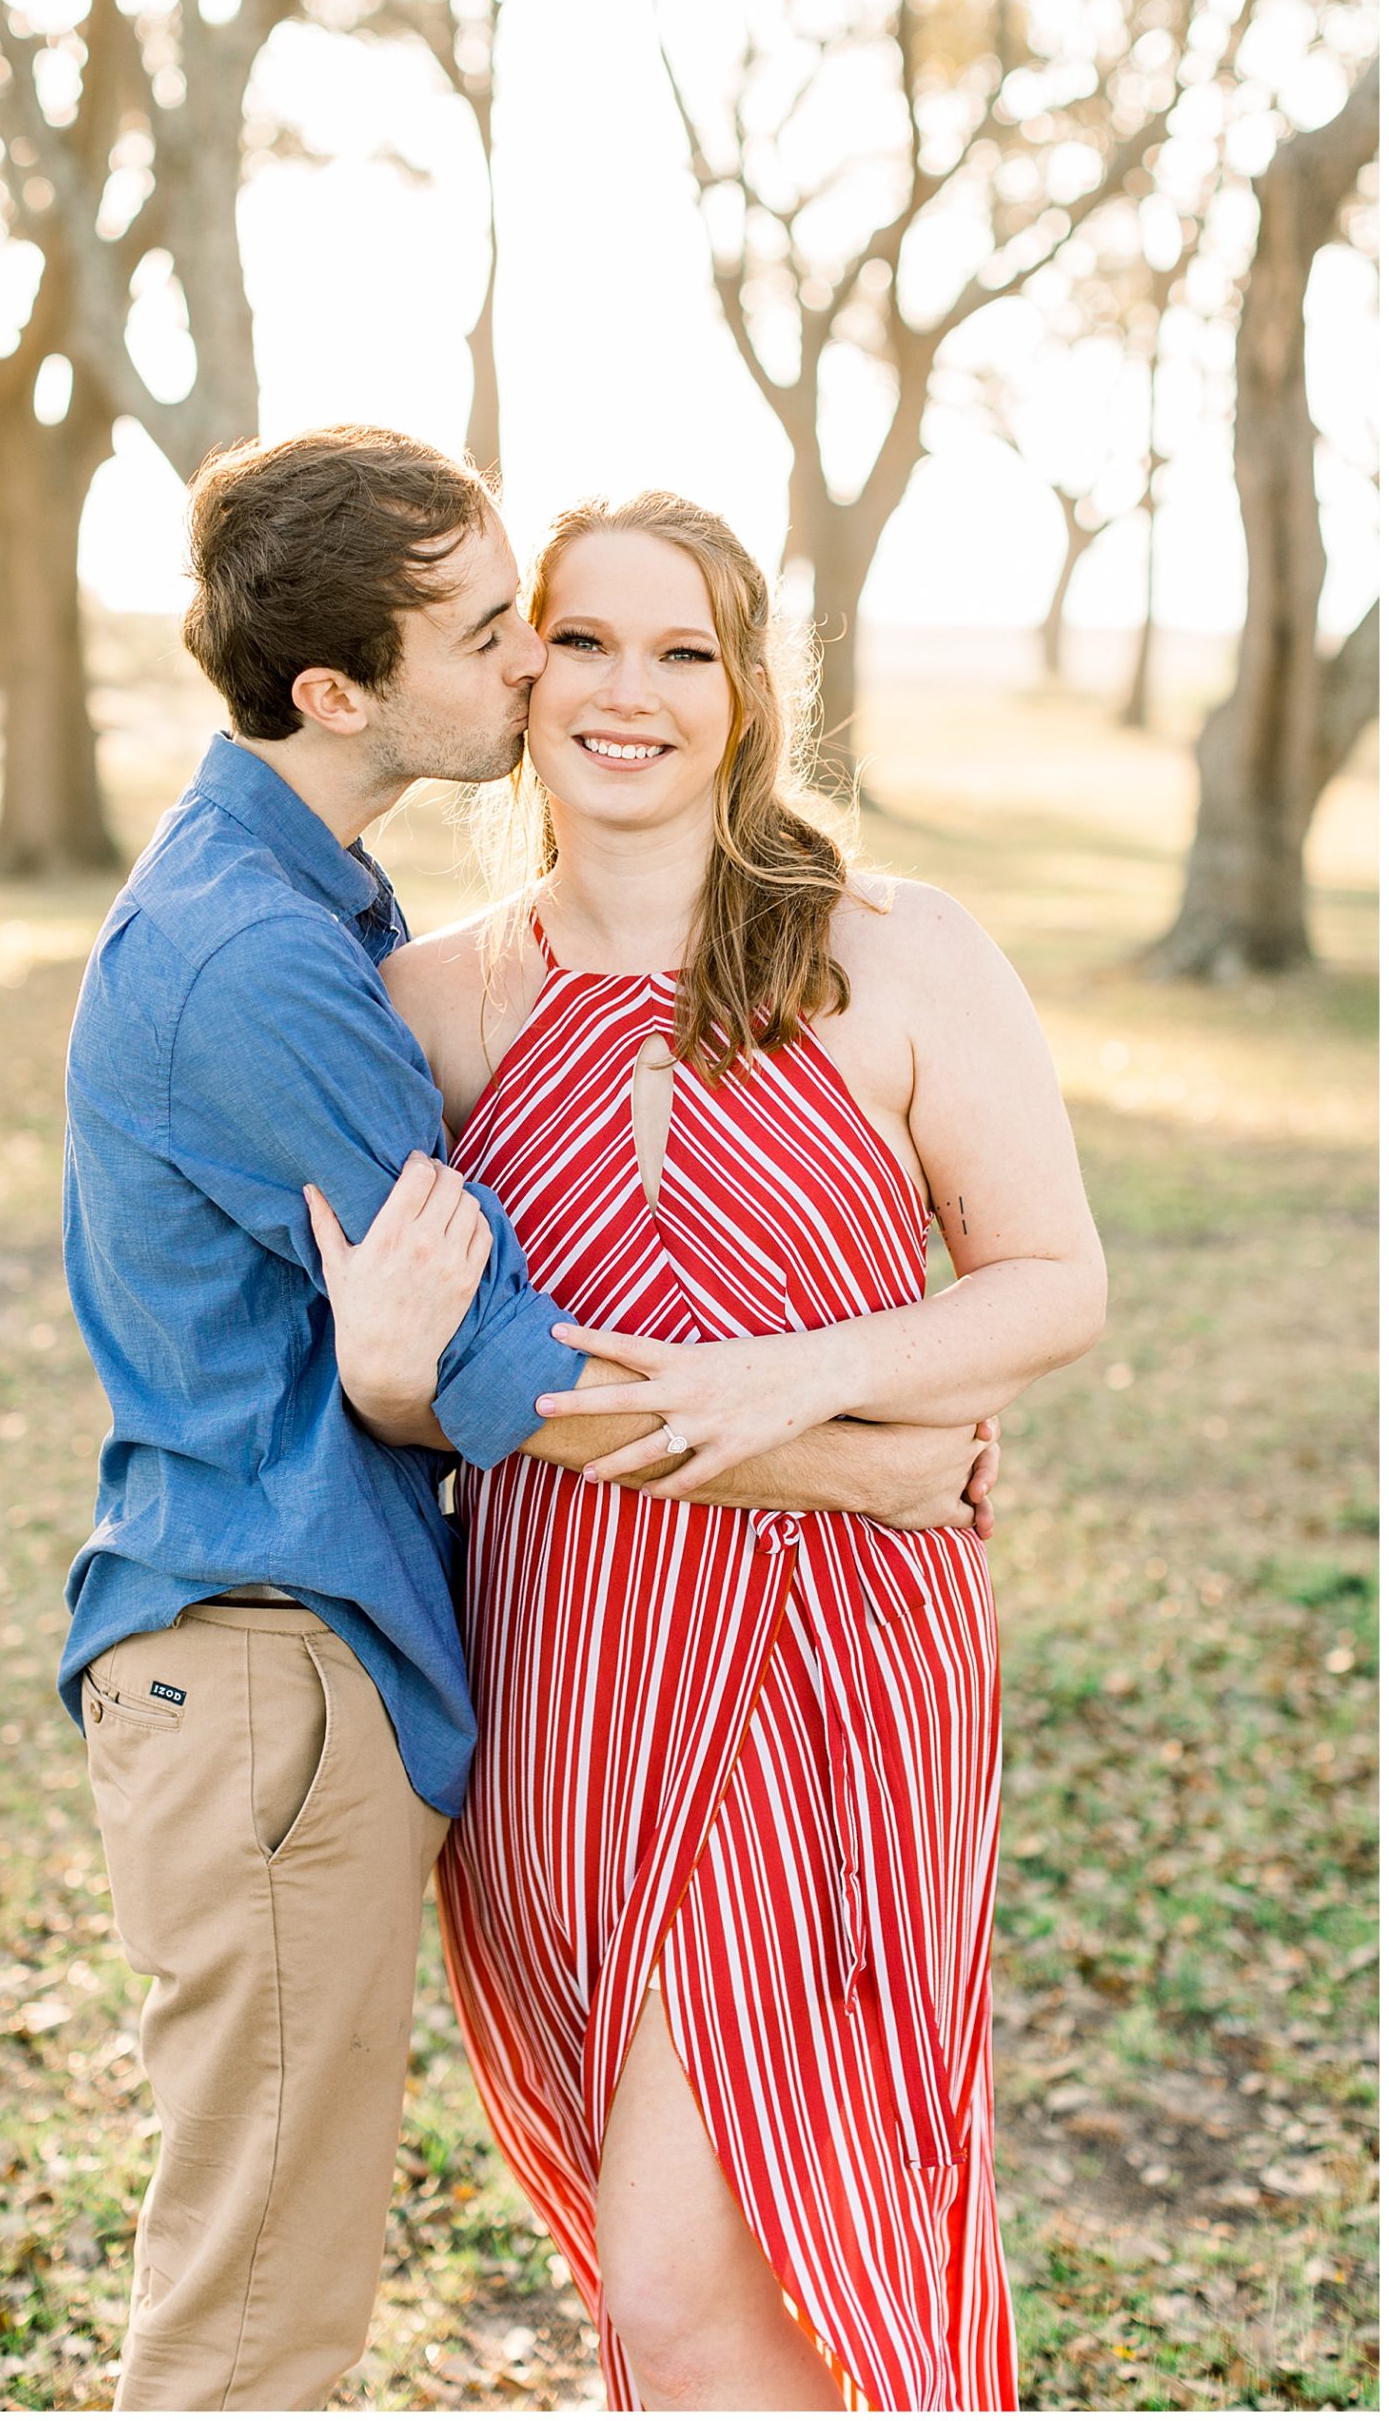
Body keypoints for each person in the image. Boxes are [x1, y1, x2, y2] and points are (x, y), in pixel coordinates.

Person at [62, 428, 1001, 2412]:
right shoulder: (282, 962)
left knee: (367, 2273)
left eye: (647, 646)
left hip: (420, 1658)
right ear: (340, 689)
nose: (546, 680)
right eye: (513, 634)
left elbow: (441, 1351)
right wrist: (865, 1459)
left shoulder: (318, 905)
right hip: (275, 1658)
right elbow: (474, 1356)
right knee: (257, 2312)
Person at [316, 490, 1108, 2413]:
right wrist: (843, 1448)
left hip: (842, 1676)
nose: (627, 693)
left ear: (749, 695)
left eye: (685, 652)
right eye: (582, 641)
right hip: (566, 1673)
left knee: (699, 2289)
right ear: (517, 674)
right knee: (704, 2297)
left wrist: (789, 1380)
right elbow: (409, 1385)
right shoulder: (435, 1005)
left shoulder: (902, 954)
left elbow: (1049, 1281)